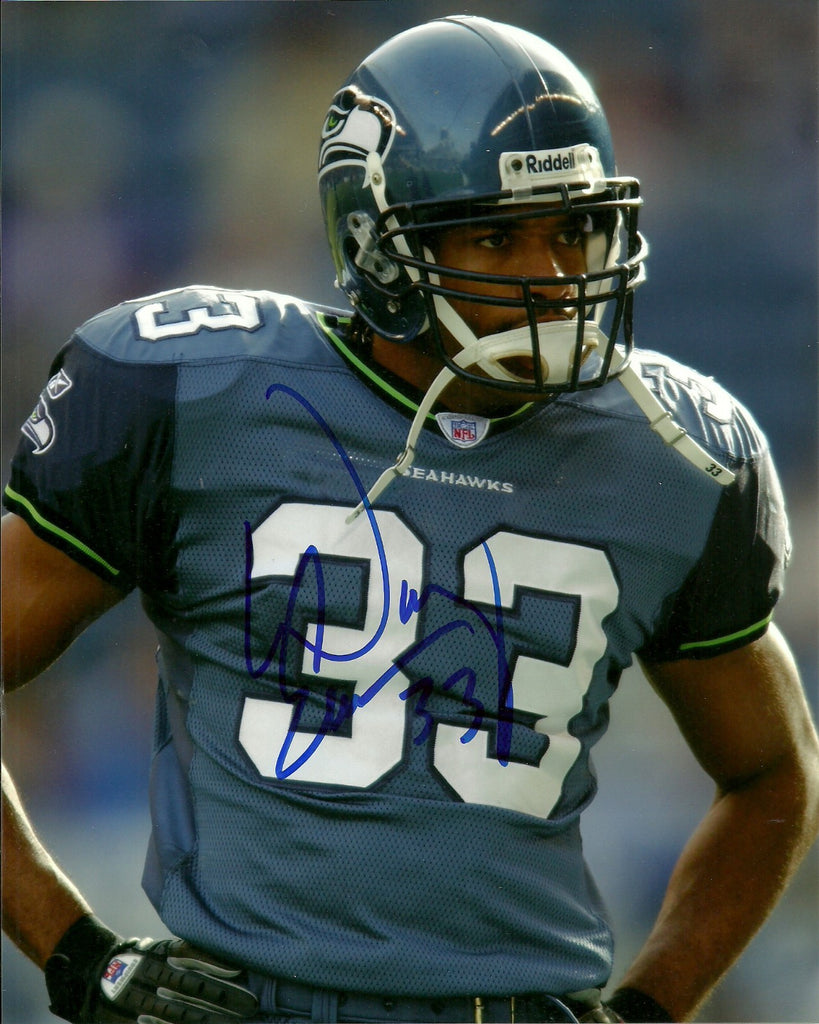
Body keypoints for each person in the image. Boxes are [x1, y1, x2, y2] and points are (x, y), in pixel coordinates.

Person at [2, 14, 818, 1024]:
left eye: (573, 228)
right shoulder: (189, 392)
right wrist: (76, 953)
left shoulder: (673, 455)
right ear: (377, 244)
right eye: (497, 236)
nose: (556, 277)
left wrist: (652, 1006)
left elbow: (772, 771)